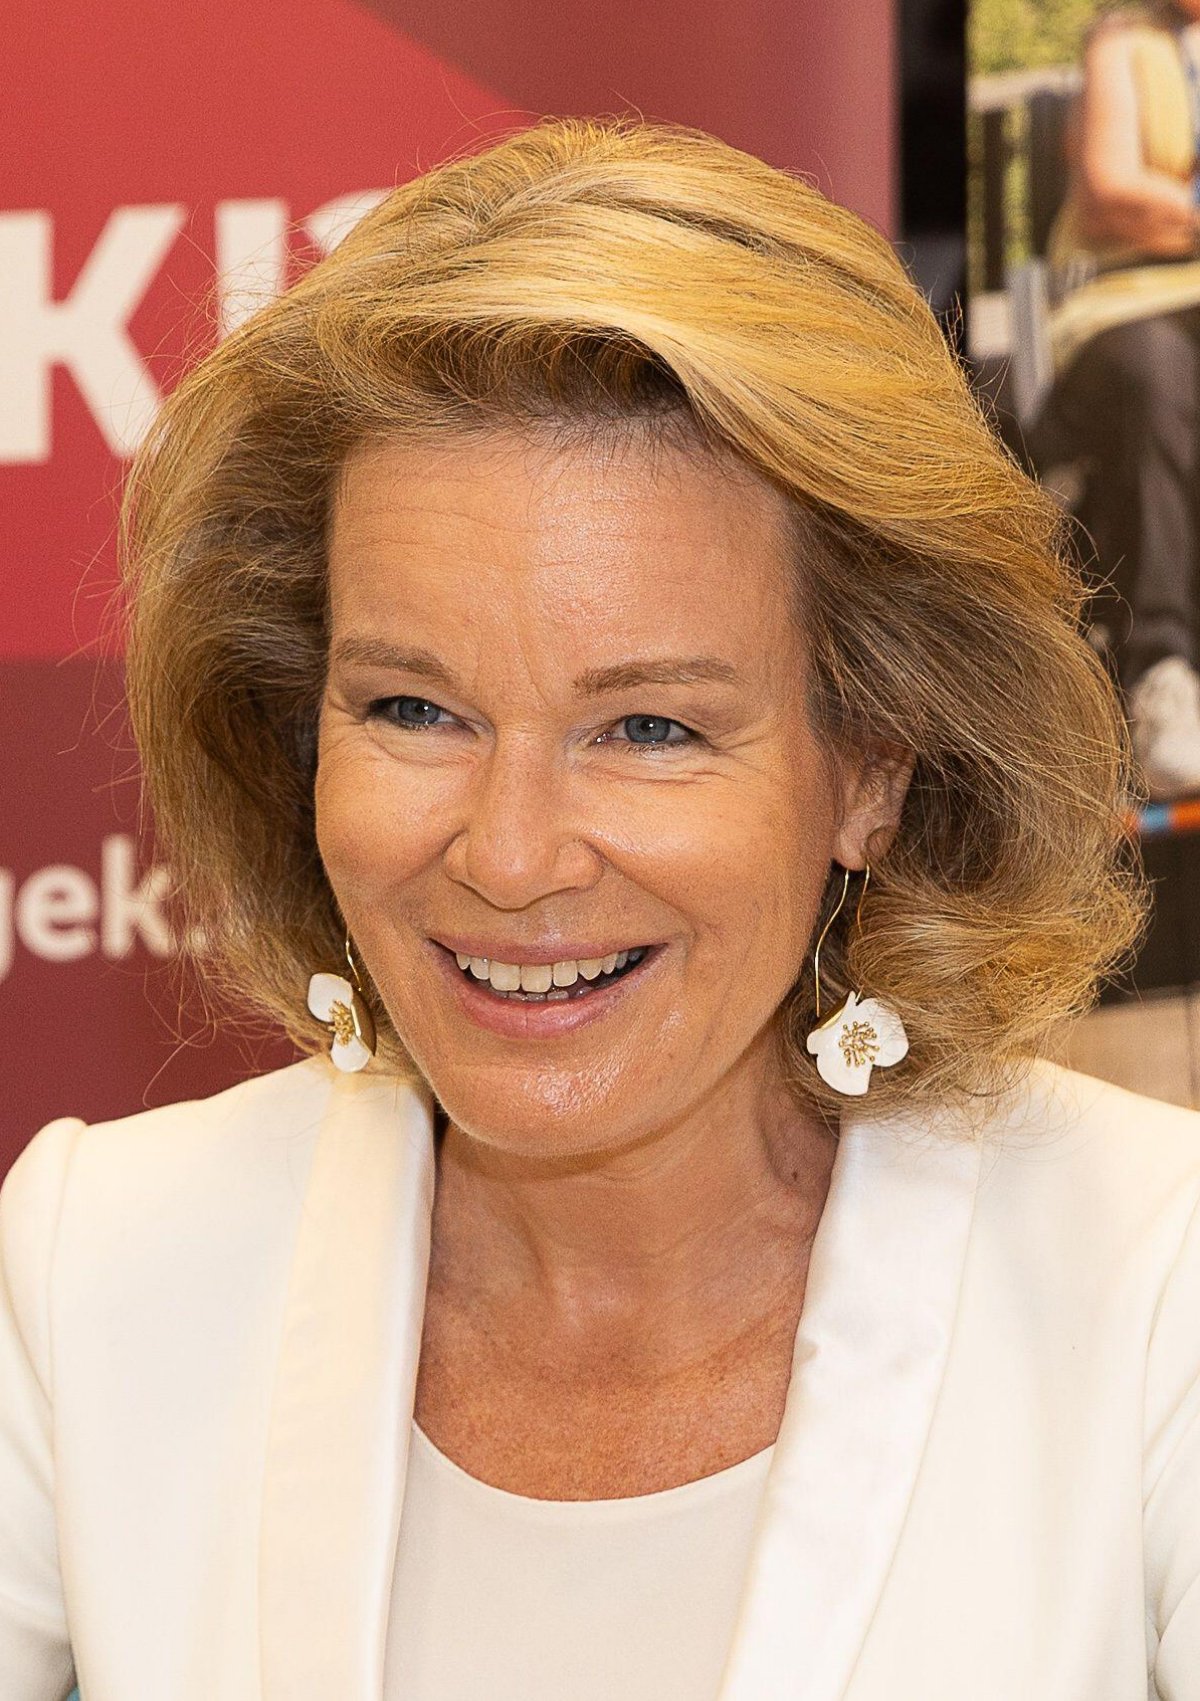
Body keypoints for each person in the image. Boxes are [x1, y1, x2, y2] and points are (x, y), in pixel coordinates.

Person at [1, 117, 1197, 1701]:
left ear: (874, 768)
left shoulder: (1157, 1285)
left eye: (649, 729)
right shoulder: (102, 1261)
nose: (509, 854)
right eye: (413, 711)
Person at [1034, 0, 1200, 799]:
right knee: (1156, 371)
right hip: (1123, 311)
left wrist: (1168, 207)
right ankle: (1163, 676)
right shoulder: (1122, 44)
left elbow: (1148, 196)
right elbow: (1112, 191)